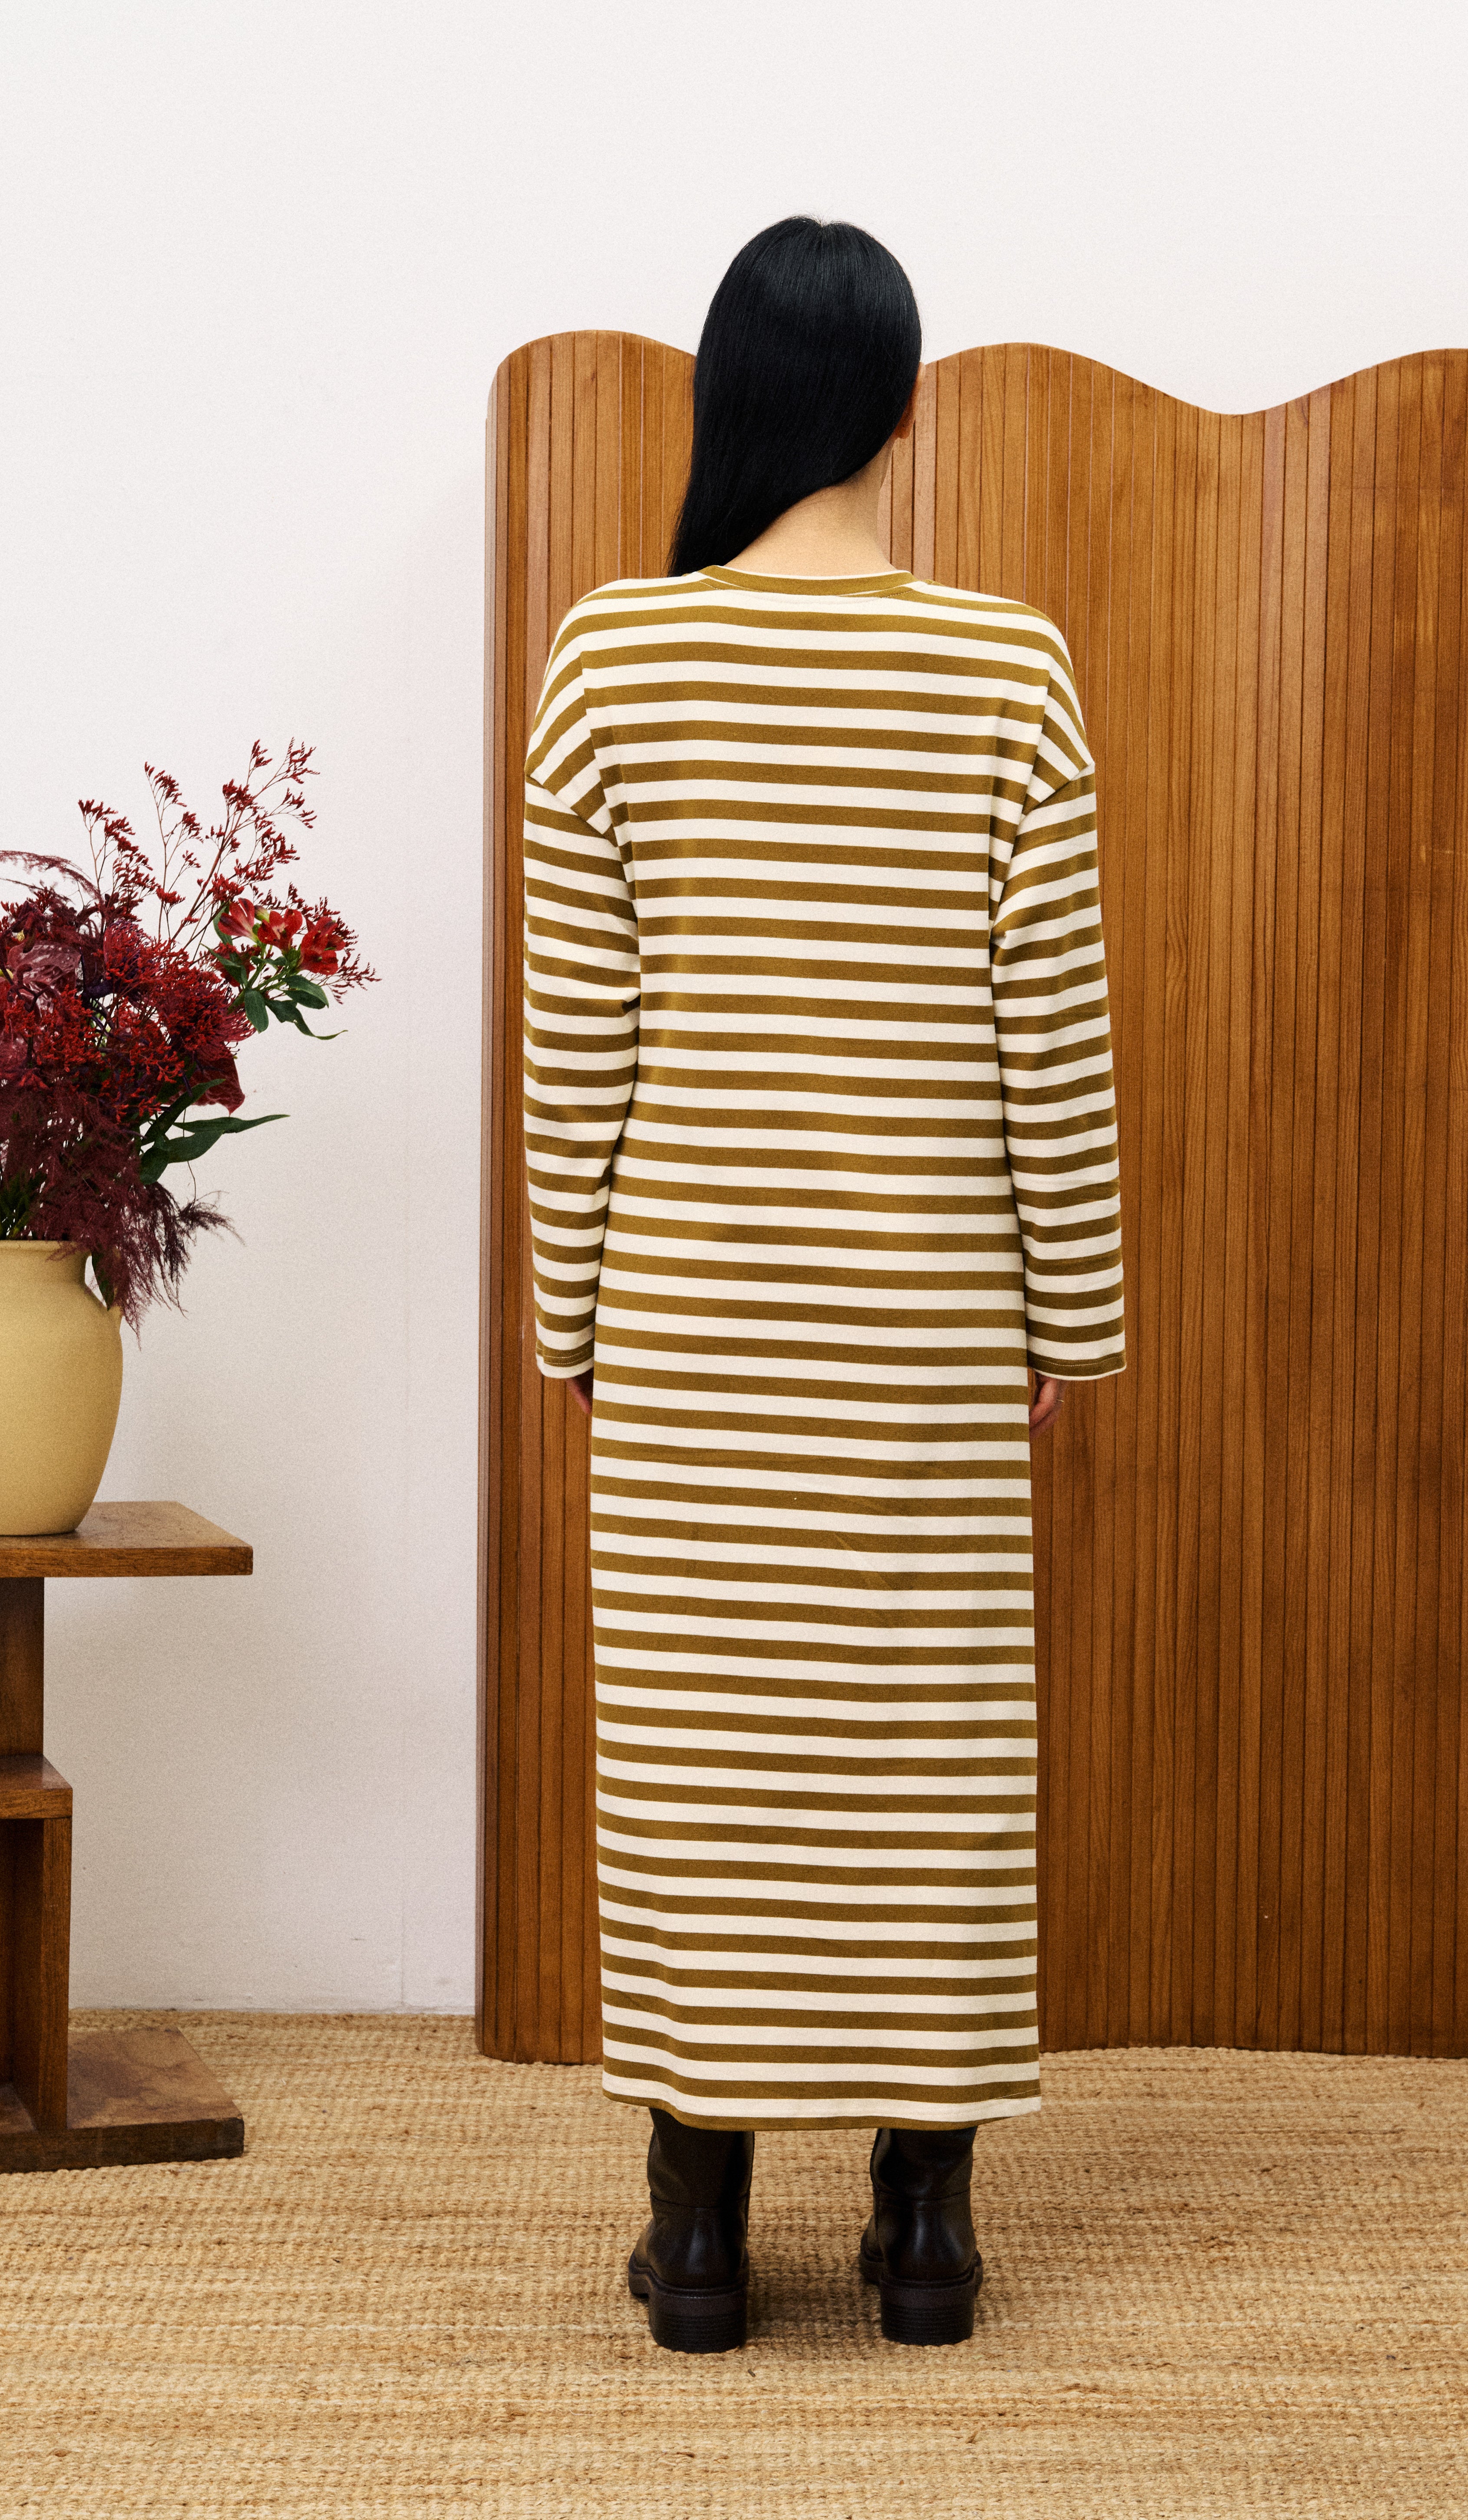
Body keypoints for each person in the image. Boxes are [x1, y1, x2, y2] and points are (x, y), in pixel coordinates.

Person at [520, 215, 1125, 2352]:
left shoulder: (612, 664)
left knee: (709, 1755)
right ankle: (927, 2229)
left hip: (694, 1330)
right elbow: (1054, 1046)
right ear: (902, 410)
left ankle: (698, 2232)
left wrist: (569, 1317)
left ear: (728, 403)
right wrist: (1073, 1324)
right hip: (928, 1331)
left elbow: (578, 1053)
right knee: (924, 1750)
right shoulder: (1009, 670)